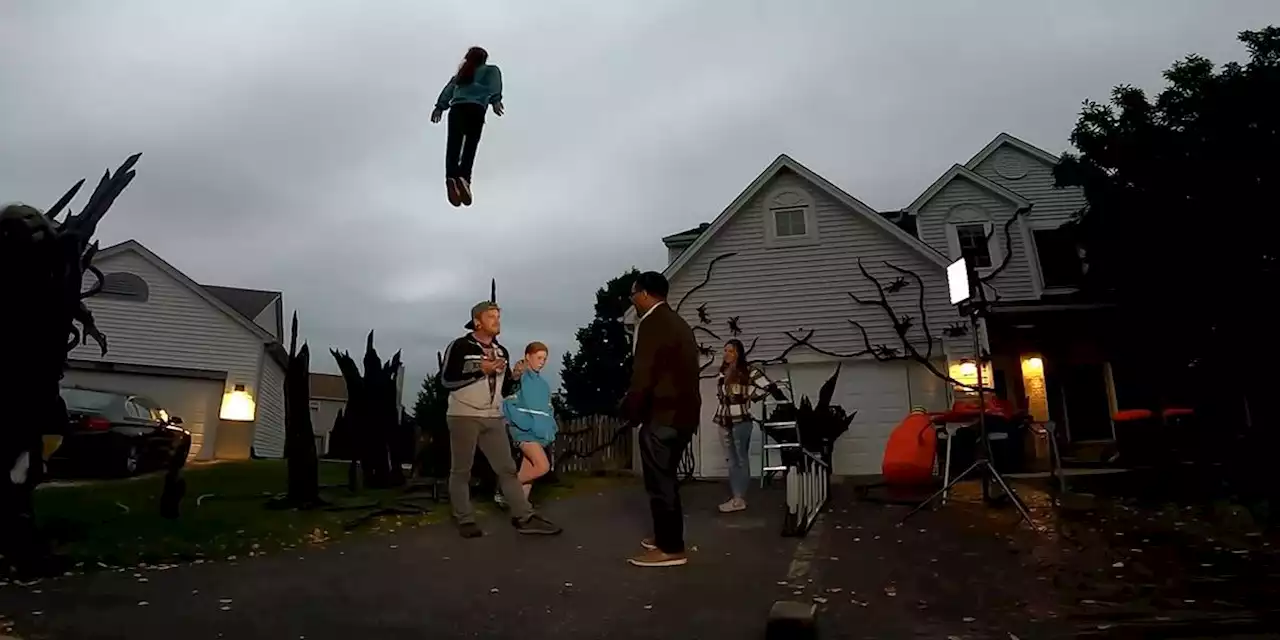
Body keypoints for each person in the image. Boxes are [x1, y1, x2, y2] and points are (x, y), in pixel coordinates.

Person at [440, 301, 561, 538]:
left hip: (493, 417)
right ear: (477, 321)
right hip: (464, 415)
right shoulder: (460, 346)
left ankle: (524, 517)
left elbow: (503, 389)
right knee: (461, 470)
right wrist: (479, 370)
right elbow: (446, 380)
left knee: (506, 469)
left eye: (498, 317)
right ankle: (465, 519)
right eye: (491, 317)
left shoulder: (501, 351)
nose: (497, 321)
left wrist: (514, 377)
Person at [623, 271, 701, 568]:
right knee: (666, 477)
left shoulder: (653, 323)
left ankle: (670, 548)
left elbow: (643, 373)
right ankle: (664, 536)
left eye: (633, 294)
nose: (633, 300)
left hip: (664, 415)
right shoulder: (678, 323)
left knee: (660, 481)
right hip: (684, 415)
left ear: (644, 294)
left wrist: (632, 412)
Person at [431, 46, 504, 208]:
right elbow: (494, 84)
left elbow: (448, 90)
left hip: (456, 109)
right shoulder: (490, 70)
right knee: (470, 145)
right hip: (476, 109)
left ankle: (451, 177)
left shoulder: (461, 76)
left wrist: (440, 107)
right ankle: (464, 179)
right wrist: (496, 100)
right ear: (484, 59)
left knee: (453, 146)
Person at [714, 338, 775, 513]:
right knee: (731, 461)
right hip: (724, 420)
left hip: (741, 421)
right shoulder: (723, 372)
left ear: (738, 353)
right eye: (725, 350)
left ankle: (739, 498)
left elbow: (768, 386)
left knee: (741, 459)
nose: (726, 354)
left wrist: (751, 395)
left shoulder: (748, 371)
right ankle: (736, 497)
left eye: (730, 351)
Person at [496, 341, 558, 506]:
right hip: (525, 432)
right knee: (543, 466)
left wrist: (551, 428)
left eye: (544, 358)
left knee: (529, 475)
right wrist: (526, 424)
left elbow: (548, 410)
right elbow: (509, 405)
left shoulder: (544, 385)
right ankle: (505, 489)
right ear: (527, 357)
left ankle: (522, 511)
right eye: (538, 358)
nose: (542, 362)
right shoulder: (518, 379)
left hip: (540, 434)